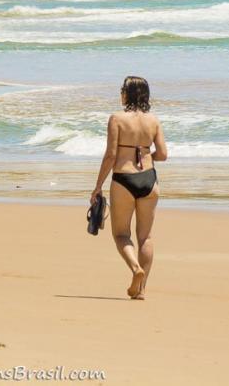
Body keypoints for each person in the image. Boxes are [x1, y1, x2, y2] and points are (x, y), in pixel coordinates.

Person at [90, 76, 168, 300]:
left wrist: (97, 187)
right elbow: (162, 154)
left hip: (124, 179)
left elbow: (111, 155)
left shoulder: (116, 119)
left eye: (122, 90)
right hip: (149, 179)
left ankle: (135, 268)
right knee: (146, 237)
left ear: (127, 94)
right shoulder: (153, 120)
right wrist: (146, 156)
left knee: (121, 234)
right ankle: (141, 290)